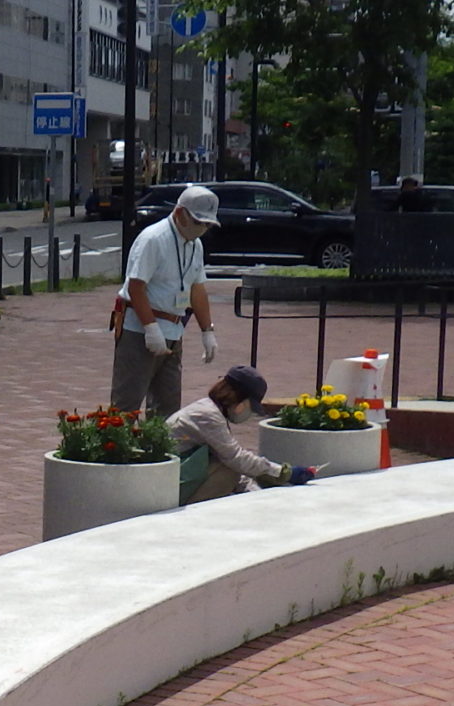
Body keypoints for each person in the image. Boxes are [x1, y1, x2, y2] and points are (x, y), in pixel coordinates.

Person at [111, 183, 222, 417]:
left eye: (207, 224)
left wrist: (207, 331)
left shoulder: (195, 245)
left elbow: (197, 288)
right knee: (127, 404)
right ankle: (115, 441)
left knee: (168, 406)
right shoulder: (154, 239)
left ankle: (159, 442)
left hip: (173, 330)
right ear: (180, 213)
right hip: (139, 330)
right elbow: (136, 286)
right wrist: (151, 328)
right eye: (198, 222)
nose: (202, 229)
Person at [176, 364, 318, 503]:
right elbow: (237, 460)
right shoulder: (208, 417)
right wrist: (284, 473)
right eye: (251, 407)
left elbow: (235, 463)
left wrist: (257, 495)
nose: (249, 413)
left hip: (178, 476)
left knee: (229, 468)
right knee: (228, 473)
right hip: (173, 485)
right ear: (240, 401)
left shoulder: (210, 411)